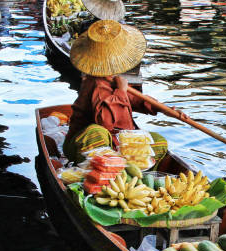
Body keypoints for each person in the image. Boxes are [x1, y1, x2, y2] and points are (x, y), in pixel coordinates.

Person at [62, 19, 189, 164]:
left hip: (115, 142)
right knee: (97, 134)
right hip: (84, 144)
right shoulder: (94, 83)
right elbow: (106, 122)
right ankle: (109, 171)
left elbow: (135, 99)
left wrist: (163, 109)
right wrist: (121, 91)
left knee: (159, 143)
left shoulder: (112, 78)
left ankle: (134, 172)